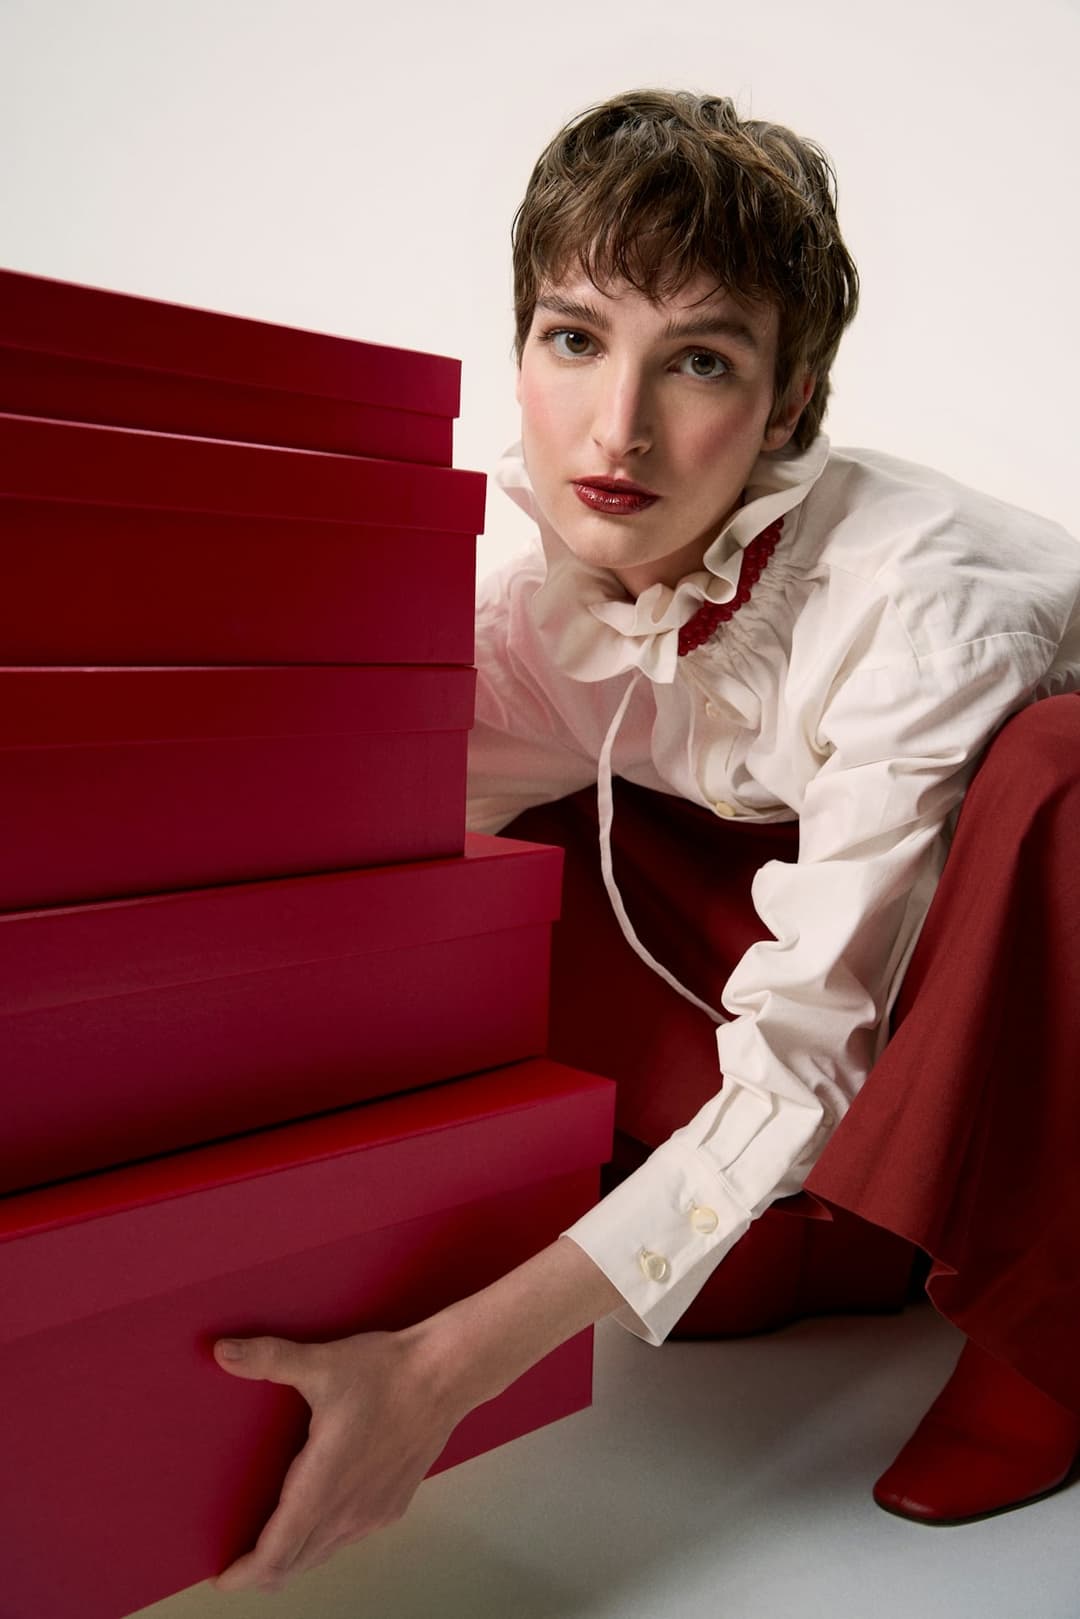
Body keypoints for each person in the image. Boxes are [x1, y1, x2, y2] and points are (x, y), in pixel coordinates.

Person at [212, 89, 1080, 1591]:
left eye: (699, 361)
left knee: (1063, 782)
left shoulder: (922, 610)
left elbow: (815, 1043)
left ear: (789, 406)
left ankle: (1049, 1331)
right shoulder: (534, 618)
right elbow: (334, 864)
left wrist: (441, 1369)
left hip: (1052, 980)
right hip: (906, 967)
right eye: (575, 339)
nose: (618, 429)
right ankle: (847, 1238)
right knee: (490, 803)